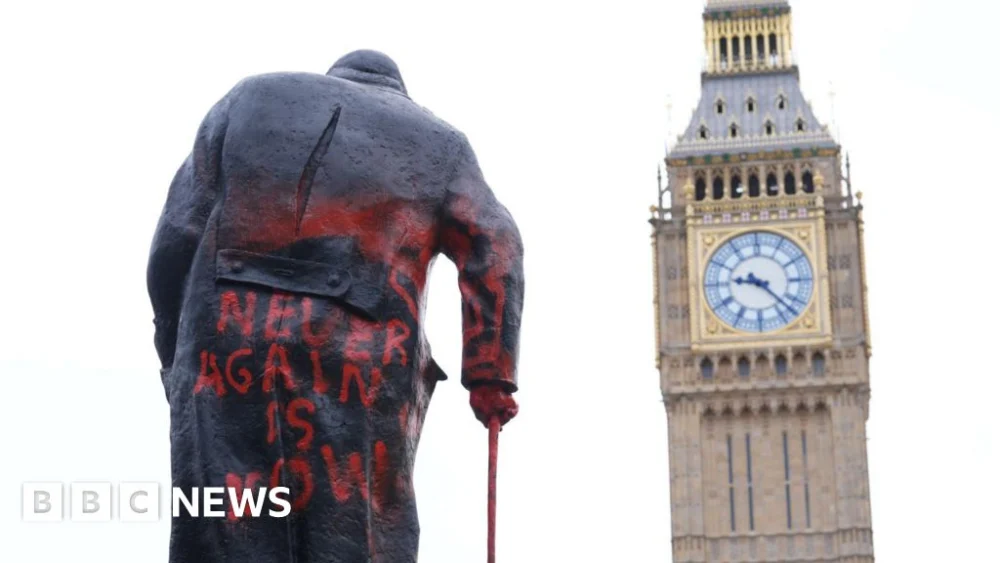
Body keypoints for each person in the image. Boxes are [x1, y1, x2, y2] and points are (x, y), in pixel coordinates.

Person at [147, 49, 524, 563]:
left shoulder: (248, 98)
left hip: (223, 343)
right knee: (352, 531)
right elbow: (496, 244)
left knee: (224, 523)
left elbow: (174, 240)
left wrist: (173, 351)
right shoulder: (443, 146)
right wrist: (489, 375)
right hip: (359, 352)